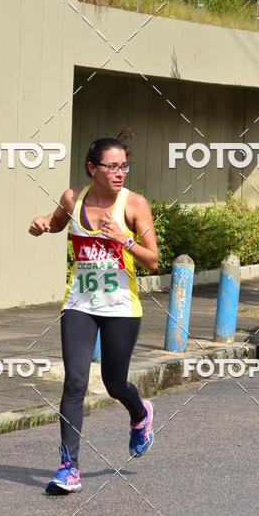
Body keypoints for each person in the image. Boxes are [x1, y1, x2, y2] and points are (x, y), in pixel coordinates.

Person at [28, 133, 159, 494]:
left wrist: (124, 239)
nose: (120, 173)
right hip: (79, 304)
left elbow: (153, 259)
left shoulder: (134, 205)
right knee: (75, 382)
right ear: (92, 168)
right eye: (112, 167)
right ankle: (68, 468)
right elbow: (56, 223)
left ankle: (139, 414)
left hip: (120, 308)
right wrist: (39, 225)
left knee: (115, 383)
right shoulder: (74, 198)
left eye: (123, 167)